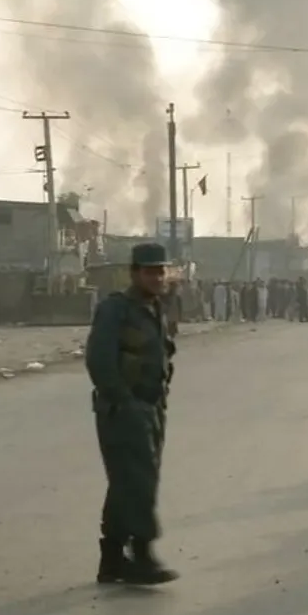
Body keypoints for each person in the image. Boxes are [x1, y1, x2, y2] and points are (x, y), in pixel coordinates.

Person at [84, 242, 178, 586]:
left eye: (161, 271)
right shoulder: (116, 309)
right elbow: (99, 359)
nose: (157, 277)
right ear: (134, 273)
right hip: (124, 408)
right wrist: (122, 400)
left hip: (151, 406)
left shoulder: (155, 308)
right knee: (139, 481)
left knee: (126, 482)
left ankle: (111, 559)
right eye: (150, 271)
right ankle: (142, 553)